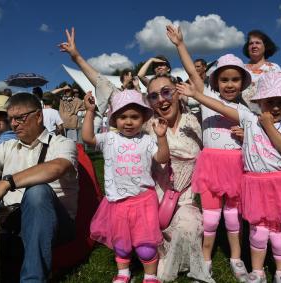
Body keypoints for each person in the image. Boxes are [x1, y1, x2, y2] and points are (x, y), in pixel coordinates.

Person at [177, 72, 281, 283]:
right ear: (260, 101)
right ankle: (258, 272)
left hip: (278, 184)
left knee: (278, 232)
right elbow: (222, 108)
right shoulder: (248, 118)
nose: (275, 107)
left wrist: (268, 125)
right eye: (270, 101)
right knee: (258, 231)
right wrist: (197, 95)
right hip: (254, 183)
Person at [0, 92, 79, 282]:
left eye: (20, 118)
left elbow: (57, 167)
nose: (14, 124)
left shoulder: (62, 143)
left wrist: (6, 182)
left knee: (38, 191)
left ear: (39, 115)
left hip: (55, 223)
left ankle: (33, 279)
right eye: (11, 119)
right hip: (9, 216)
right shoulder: (8, 146)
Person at [166, 25, 249, 282]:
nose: (230, 84)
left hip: (235, 166)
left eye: (235, 79)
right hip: (211, 166)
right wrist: (180, 44)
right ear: (215, 82)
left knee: (234, 217)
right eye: (224, 79)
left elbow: (257, 137)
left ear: (242, 82)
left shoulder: (246, 110)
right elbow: (192, 71)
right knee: (211, 219)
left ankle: (236, 258)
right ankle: (205, 259)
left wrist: (246, 137)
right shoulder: (206, 96)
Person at [86, 89, 170, 283]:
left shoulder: (147, 140)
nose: (129, 121)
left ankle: (150, 275)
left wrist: (162, 137)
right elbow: (88, 138)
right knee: (121, 244)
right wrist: (90, 112)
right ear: (114, 119)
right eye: (123, 117)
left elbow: (163, 158)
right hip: (117, 203)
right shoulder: (109, 139)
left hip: (143, 202)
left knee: (146, 247)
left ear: (143, 119)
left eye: (134, 117)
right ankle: (123, 272)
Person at [144, 72, 214, 283]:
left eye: (166, 92)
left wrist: (180, 45)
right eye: (154, 96)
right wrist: (77, 57)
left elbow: (206, 93)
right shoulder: (146, 127)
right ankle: (160, 252)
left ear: (177, 93)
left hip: (185, 199)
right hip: (155, 198)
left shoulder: (196, 122)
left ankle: (174, 255)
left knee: (189, 225)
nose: (162, 99)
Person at [241, 30, 281, 112]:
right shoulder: (241, 68)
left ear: (265, 46)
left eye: (257, 43)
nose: (254, 46)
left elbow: (280, 93)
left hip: (266, 114)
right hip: (241, 114)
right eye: (251, 43)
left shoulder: (274, 68)